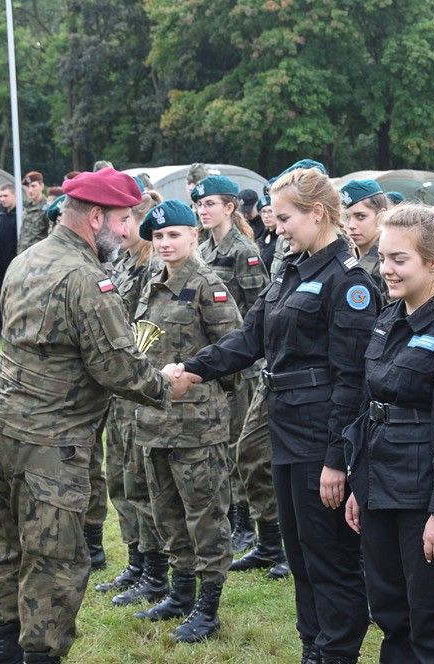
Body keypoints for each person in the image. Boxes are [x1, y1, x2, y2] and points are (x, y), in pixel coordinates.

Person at [0, 168, 194, 664]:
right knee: (55, 559)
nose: (128, 232)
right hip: (50, 440)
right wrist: (168, 383)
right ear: (95, 216)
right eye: (123, 220)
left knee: (6, 543)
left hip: (0, 424)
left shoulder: (27, 259)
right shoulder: (86, 278)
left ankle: (4, 647)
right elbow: (117, 366)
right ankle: (38, 655)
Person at [178, 166, 381, 664]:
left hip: (321, 436)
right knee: (303, 558)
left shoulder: (347, 282)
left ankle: (335, 654)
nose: (277, 227)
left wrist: (337, 458)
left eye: (286, 218)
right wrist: (192, 369)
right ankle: (313, 648)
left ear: (316, 214)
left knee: (331, 560)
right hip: (286, 426)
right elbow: (251, 339)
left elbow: (353, 380)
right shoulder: (292, 268)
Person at [344, 204, 434, 663]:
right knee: (389, 610)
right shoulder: (388, 318)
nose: (386, 269)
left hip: (422, 495)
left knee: (433, 617)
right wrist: (358, 485)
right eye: (382, 258)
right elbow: (369, 408)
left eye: (399, 260)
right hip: (379, 484)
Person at [130, 199, 242, 642]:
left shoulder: (208, 286)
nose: (164, 243)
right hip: (154, 423)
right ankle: (180, 594)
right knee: (167, 514)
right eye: (157, 236)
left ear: (194, 235)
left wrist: (200, 390)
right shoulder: (151, 283)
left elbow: (234, 352)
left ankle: (207, 608)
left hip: (197, 427)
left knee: (205, 517)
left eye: (174, 234)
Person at [193, 174, 269, 553]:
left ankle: (248, 524)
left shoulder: (243, 250)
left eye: (210, 204)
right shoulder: (203, 248)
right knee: (220, 445)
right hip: (215, 359)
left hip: (242, 365)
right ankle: (234, 516)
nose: (203, 210)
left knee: (241, 446)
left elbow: (260, 308)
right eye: (200, 205)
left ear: (229, 207)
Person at [95, 189, 165, 596]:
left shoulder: (155, 265)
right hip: (118, 388)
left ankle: (155, 570)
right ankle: (136, 560)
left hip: (140, 385)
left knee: (141, 481)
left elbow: (147, 333)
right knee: (119, 478)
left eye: (125, 222)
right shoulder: (121, 260)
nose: (118, 230)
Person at [340, 178, 390, 293]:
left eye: (361, 216)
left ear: (381, 216)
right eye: (346, 217)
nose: (351, 225)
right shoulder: (347, 254)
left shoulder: (389, 260)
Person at [0, 184, 19, 337]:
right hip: (0, 264)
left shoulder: (20, 215)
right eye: (0, 196)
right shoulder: (1, 214)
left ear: (14, 195)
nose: (2, 199)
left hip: (14, 262)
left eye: (5, 196)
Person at [18, 171, 48, 254]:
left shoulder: (46, 209)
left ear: (41, 186)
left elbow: (51, 235)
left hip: (38, 256)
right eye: (27, 187)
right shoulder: (27, 207)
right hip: (23, 255)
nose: (30, 190)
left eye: (33, 186)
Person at [257, 196, 278, 269]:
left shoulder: (284, 239)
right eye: (263, 211)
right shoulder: (261, 239)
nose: (266, 216)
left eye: (270, 211)